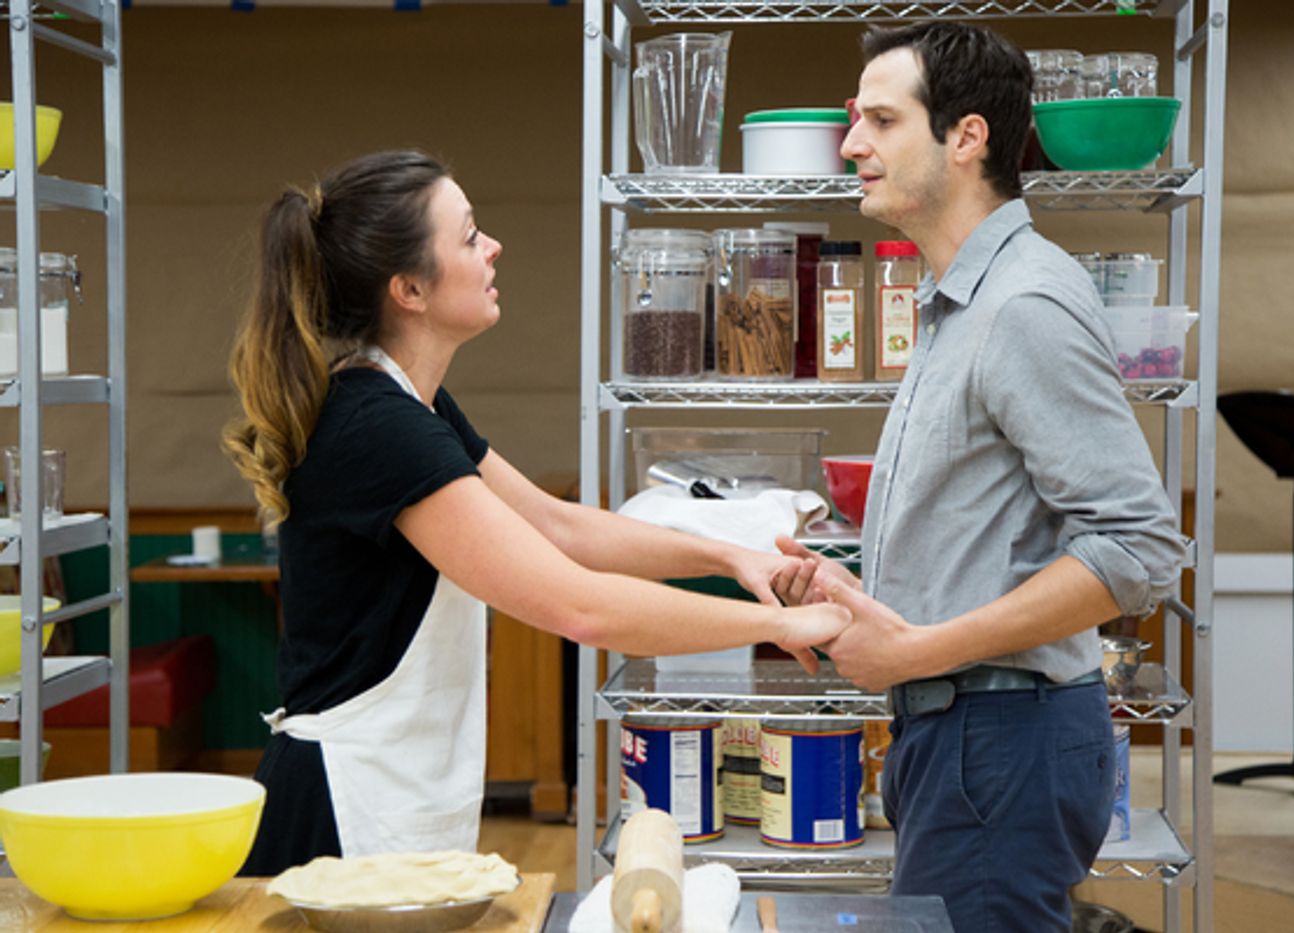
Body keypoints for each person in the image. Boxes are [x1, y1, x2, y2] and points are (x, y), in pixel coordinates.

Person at [223, 150, 850, 875]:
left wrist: (733, 558)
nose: (493, 247)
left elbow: (559, 527)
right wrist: (780, 622)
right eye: (468, 236)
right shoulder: (377, 428)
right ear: (409, 289)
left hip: (389, 793)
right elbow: (576, 606)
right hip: (338, 809)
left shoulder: (408, 405)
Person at [771, 23, 1188, 933]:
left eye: (882, 120)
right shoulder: (961, 299)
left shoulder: (1020, 305)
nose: (851, 145)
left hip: (1000, 736)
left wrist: (917, 651)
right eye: (854, 120)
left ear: (967, 137)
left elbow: (1137, 548)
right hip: (964, 732)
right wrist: (861, 597)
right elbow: (990, 532)